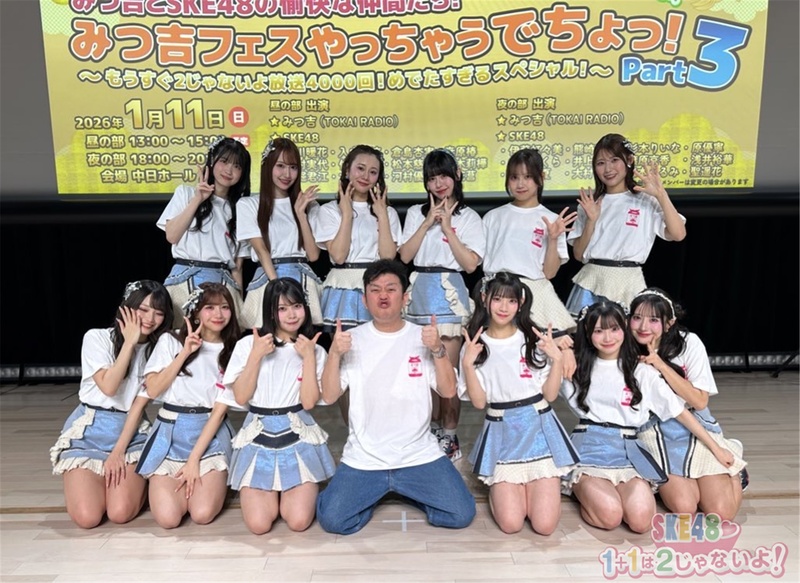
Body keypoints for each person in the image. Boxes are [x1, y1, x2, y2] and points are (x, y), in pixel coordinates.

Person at [316, 260, 476, 535]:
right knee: (333, 520)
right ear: (364, 300)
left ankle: (397, 490)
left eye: (391, 289)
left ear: (405, 298)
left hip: (418, 454)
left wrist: (438, 349)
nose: (383, 295)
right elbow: (329, 396)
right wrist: (334, 354)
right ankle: (381, 491)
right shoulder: (350, 340)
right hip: (365, 458)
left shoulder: (422, 337)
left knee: (461, 513)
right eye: (375, 290)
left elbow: (449, 391)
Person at [561, 301, 734, 533]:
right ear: (587, 332)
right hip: (589, 447)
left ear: (624, 328)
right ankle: (582, 488)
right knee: (610, 516)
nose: (608, 337)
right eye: (599, 331)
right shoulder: (575, 366)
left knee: (642, 521)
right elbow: (531, 349)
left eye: (614, 329)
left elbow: (680, 412)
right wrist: (562, 349)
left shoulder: (642, 371)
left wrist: (716, 448)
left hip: (628, 451)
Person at [111, 283, 241, 529]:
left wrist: (194, 461)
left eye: (225, 307)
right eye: (210, 307)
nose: (218, 314)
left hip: (210, 435)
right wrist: (184, 353)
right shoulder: (170, 341)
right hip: (169, 433)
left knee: (202, 514)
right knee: (168, 519)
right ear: (195, 312)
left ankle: (214, 479)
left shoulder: (234, 350)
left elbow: (219, 411)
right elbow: (153, 389)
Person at [460, 273, 578, 535]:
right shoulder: (475, 345)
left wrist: (557, 359)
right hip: (501, 429)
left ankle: (532, 487)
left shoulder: (533, 338)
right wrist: (467, 364)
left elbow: (549, 395)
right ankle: (506, 489)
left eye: (511, 301)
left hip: (539, 427)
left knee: (545, 526)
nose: (504, 307)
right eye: (498, 299)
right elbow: (479, 402)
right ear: (484, 298)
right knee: (511, 524)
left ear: (520, 303)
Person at [50, 280, 172, 529]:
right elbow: (109, 387)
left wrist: (118, 451)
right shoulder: (97, 338)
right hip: (89, 430)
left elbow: (138, 406)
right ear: (127, 307)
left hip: (130, 431)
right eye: (144, 309)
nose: (150, 319)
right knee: (88, 518)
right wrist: (129, 343)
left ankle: (134, 482)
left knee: (120, 512)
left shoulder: (158, 349)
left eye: (159, 313)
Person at [220, 278, 335, 534]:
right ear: (271, 312)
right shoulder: (248, 344)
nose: (291, 315)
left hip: (297, 430)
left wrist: (308, 357)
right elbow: (241, 397)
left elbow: (309, 402)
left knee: (298, 521)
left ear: (305, 307)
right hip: (258, 432)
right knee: (259, 525)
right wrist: (256, 355)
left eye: (296, 306)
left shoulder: (314, 350)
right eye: (282, 308)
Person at [630, 288, 747, 520]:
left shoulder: (689, 343)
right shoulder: (623, 347)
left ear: (669, 323)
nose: (643, 326)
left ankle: (735, 471)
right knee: (684, 506)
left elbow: (699, 401)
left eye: (653, 320)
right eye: (637, 317)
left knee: (722, 513)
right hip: (653, 431)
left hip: (694, 424)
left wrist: (660, 364)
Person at [399, 148, 485, 461]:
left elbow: (471, 264)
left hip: (449, 293)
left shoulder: (470, 217)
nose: (439, 184)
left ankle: (449, 434)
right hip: (418, 292)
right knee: (420, 372)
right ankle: (426, 432)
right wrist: (427, 223)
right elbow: (405, 256)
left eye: (444, 176)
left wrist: (448, 227)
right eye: (432, 178)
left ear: (457, 175)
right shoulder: (414, 213)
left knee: (446, 371)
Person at [565, 134, 686, 316]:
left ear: (629, 160)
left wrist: (661, 195)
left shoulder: (646, 200)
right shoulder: (590, 204)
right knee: (584, 331)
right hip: (591, 280)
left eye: (614, 160)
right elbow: (578, 254)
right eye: (601, 163)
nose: (608, 169)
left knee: (629, 331)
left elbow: (678, 234)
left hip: (630, 280)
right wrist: (591, 220)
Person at [157, 136, 251, 327]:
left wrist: (239, 307)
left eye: (237, 166)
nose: (229, 170)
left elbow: (238, 266)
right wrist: (198, 199)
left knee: (222, 340)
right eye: (224, 161)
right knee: (180, 335)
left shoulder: (240, 209)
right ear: (212, 161)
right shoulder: (186, 193)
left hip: (223, 284)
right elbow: (172, 235)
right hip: (184, 280)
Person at [312, 145, 402, 332]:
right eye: (360, 168)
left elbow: (387, 257)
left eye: (373, 172)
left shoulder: (388, 212)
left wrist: (382, 215)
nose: (365, 176)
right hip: (343, 285)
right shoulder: (329, 210)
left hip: (378, 284)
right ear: (347, 170)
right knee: (343, 347)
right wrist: (347, 214)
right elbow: (338, 256)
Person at [237, 138, 323, 329]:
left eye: (293, 167)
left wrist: (300, 214)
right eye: (280, 166)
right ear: (268, 166)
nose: (287, 174)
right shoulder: (249, 204)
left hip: (302, 279)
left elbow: (313, 255)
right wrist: (277, 288)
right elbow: (261, 251)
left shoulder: (309, 205)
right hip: (268, 279)